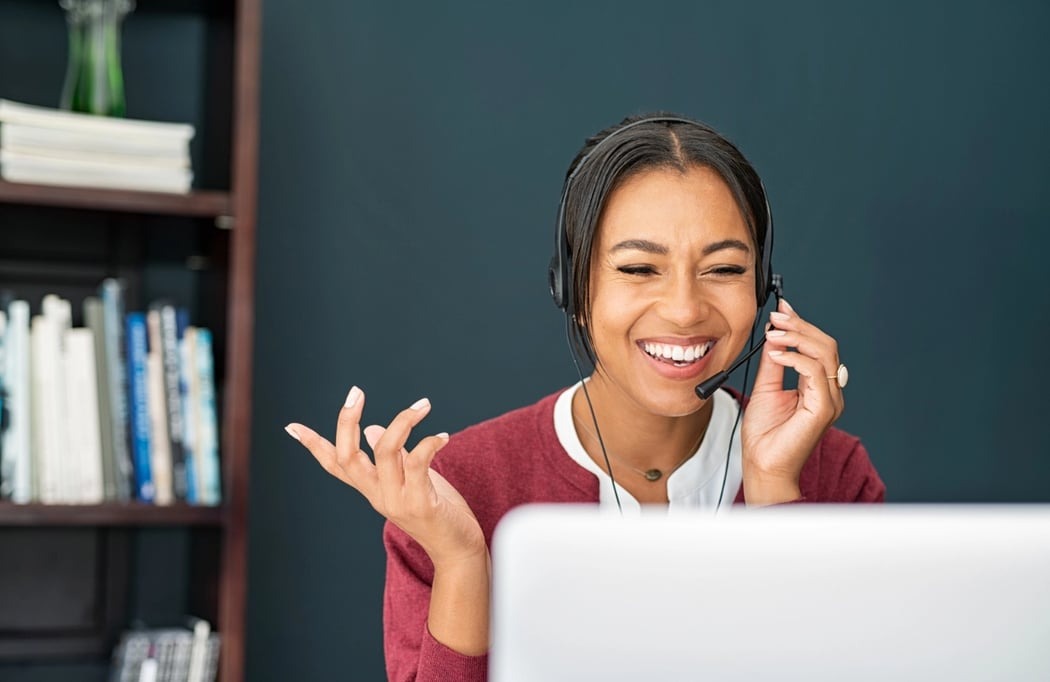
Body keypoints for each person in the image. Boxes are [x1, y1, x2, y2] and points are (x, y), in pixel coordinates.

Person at [284, 114, 885, 681]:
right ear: (571, 288)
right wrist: (463, 561)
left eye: (724, 270)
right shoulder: (455, 488)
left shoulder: (835, 475)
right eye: (639, 269)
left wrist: (776, 492)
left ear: (763, 288)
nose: (684, 310)